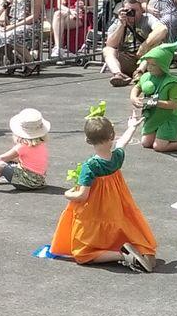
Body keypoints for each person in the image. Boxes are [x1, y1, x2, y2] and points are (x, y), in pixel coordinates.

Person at [50, 108, 157, 273]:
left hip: (96, 208)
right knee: (117, 224)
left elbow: (82, 195)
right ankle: (132, 249)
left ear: (87, 140)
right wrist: (132, 126)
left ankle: (122, 255)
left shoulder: (90, 166)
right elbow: (124, 142)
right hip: (116, 203)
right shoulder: (117, 156)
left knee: (82, 254)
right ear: (112, 136)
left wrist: (67, 193)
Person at [129, 44, 177, 153]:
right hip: (153, 115)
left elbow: (174, 104)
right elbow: (136, 88)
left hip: (169, 117)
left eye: (154, 65)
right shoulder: (146, 77)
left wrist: (155, 102)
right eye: (148, 64)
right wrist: (133, 97)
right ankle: (160, 135)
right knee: (146, 143)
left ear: (163, 65)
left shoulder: (173, 83)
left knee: (159, 147)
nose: (149, 67)